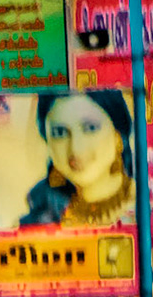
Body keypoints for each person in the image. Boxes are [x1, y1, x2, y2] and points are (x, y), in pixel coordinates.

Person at [18, 91, 136, 230]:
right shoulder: (40, 217)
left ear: (118, 137)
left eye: (90, 128)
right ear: (47, 142)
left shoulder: (149, 204)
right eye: (60, 133)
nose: (76, 149)